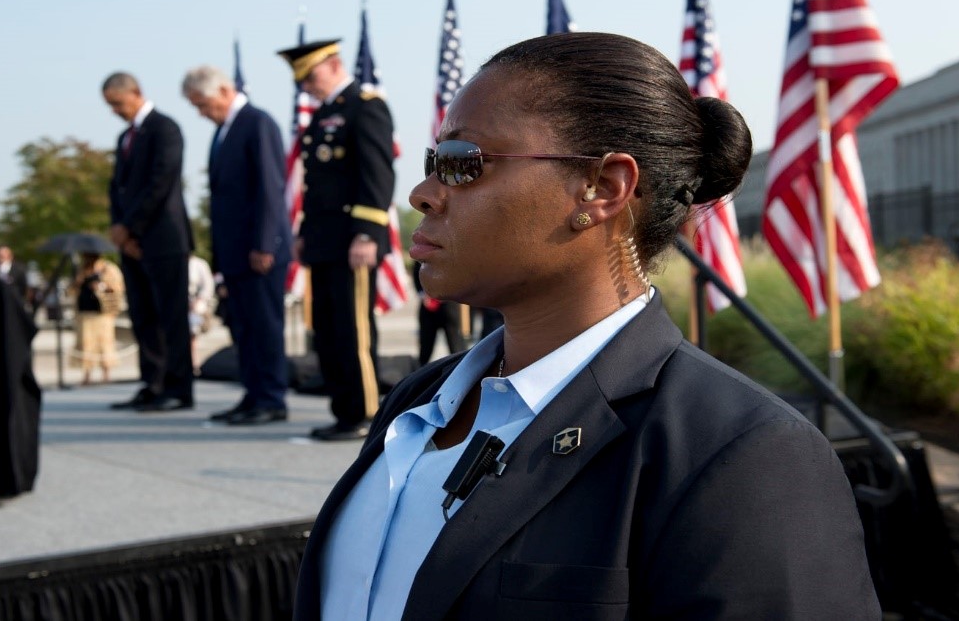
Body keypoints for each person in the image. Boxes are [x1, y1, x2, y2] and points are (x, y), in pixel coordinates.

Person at [294, 32, 879, 618]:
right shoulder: (417, 404)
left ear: (602, 188)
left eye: (462, 163)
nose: (424, 194)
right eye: (433, 163)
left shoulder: (741, 453)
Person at [277, 39, 395, 441]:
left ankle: (364, 413)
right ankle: (343, 410)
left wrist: (367, 233)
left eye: (311, 75)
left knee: (353, 330)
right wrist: (304, 233)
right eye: (302, 80)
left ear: (334, 64)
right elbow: (317, 186)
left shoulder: (365, 106)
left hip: (353, 240)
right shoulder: (324, 115)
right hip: (324, 241)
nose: (307, 85)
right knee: (327, 330)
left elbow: (376, 175)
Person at [183, 65, 292, 425]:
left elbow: (269, 187)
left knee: (264, 326)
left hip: (260, 250)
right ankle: (252, 394)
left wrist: (264, 243)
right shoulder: (222, 132)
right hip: (234, 252)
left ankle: (272, 398)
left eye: (202, 103)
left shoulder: (257, 122)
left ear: (224, 91)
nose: (201, 112)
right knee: (242, 327)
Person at [103, 72, 195, 412]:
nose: (114, 110)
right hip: (131, 242)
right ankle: (152, 382)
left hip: (164, 239)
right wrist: (118, 228)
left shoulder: (164, 129)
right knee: (143, 316)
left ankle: (178, 387)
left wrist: (131, 227)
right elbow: (117, 188)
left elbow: (161, 181)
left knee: (170, 316)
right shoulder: (125, 138)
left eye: (117, 103)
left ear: (136, 93)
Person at [70, 252, 124, 385]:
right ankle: (87, 375)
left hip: (103, 313)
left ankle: (106, 374)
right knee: (86, 345)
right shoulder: (82, 271)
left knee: (104, 344)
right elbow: (72, 290)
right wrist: (78, 283)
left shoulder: (108, 269)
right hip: (85, 312)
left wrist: (101, 286)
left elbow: (118, 287)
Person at [413, 262, 463, 367]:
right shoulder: (423, 253)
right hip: (428, 306)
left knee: (456, 347)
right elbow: (416, 272)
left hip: (449, 305)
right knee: (425, 348)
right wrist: (423, 295)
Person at [186, 253, 215, 375]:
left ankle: (193, 362)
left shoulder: (199, 264)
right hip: (180, 303)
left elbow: (208, 286)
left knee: (192, 333)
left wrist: (199, 300)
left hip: (196, 303)